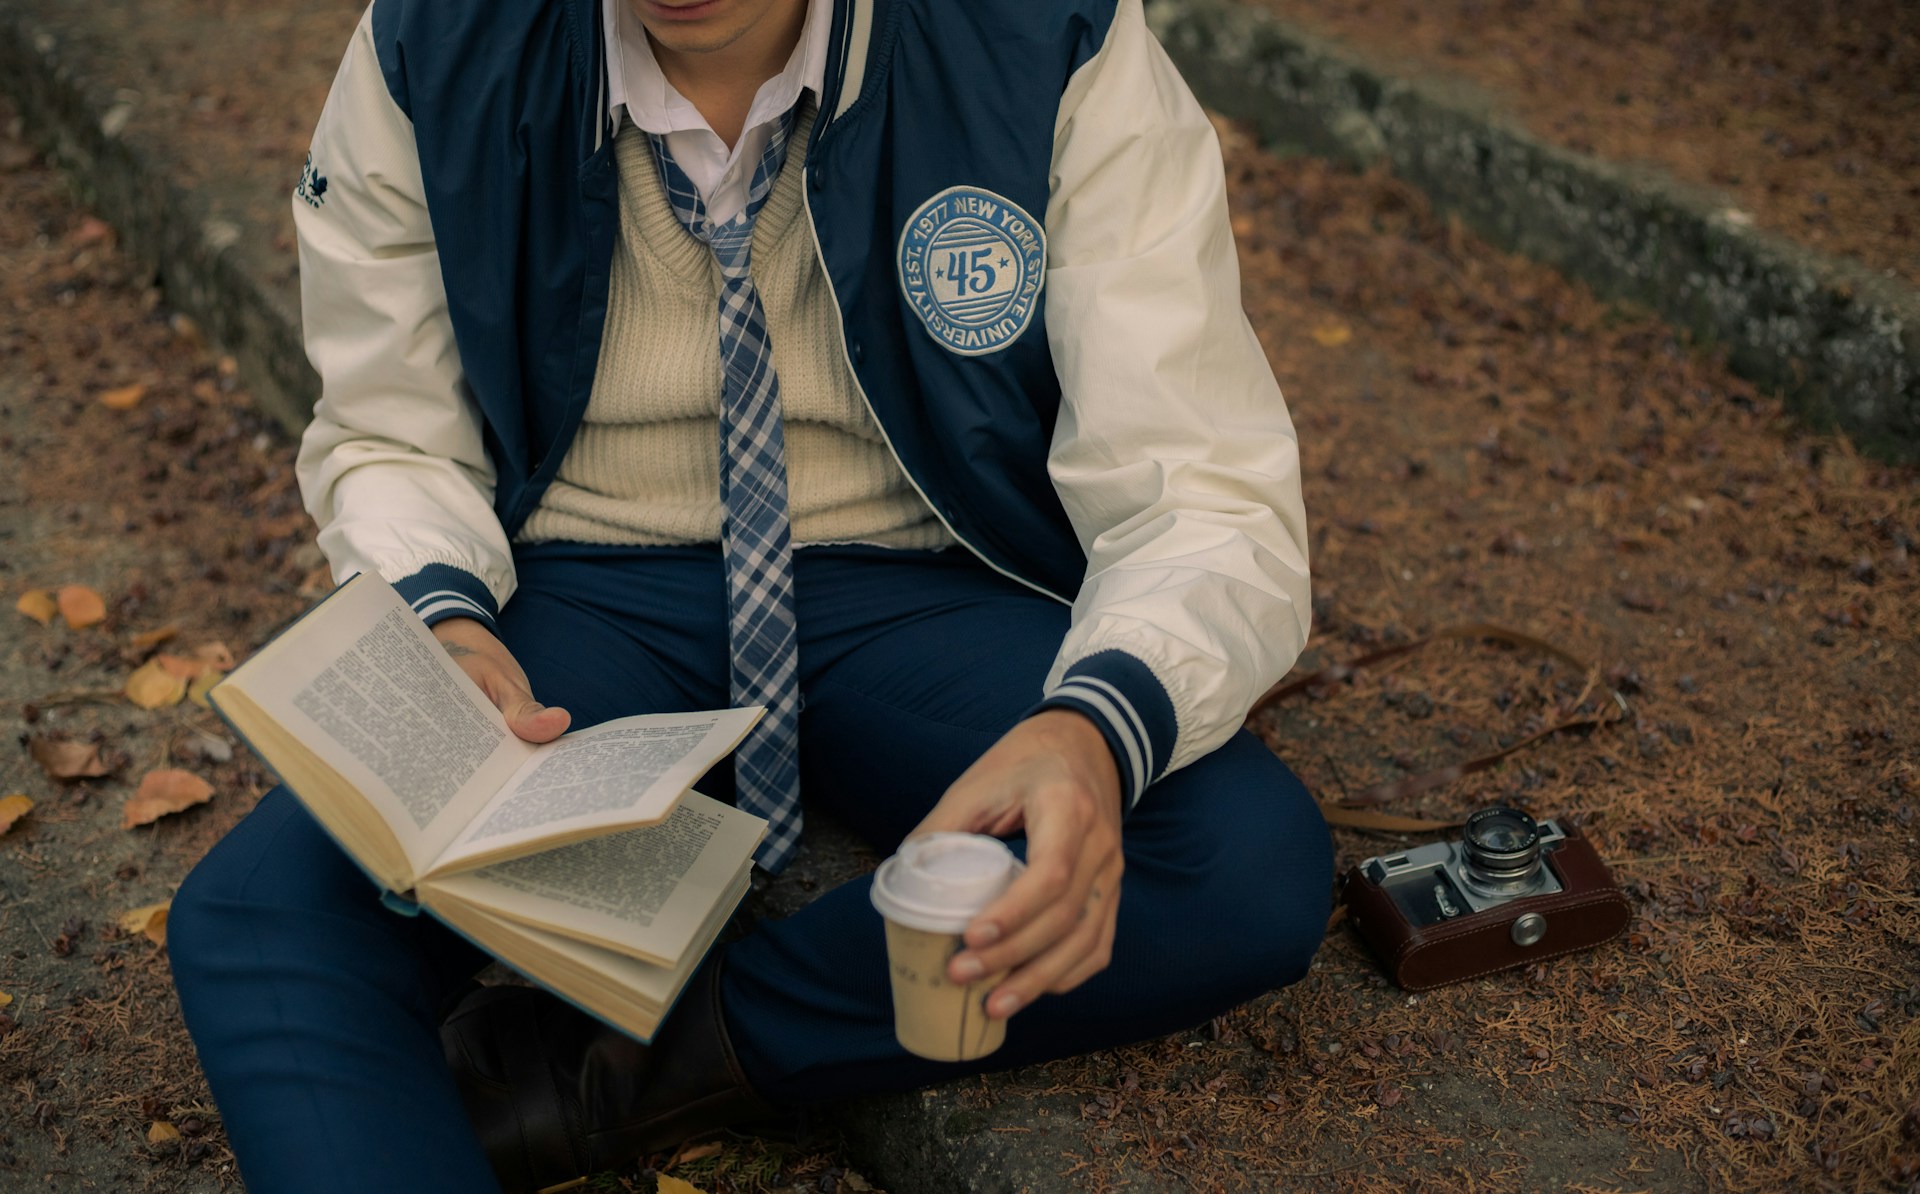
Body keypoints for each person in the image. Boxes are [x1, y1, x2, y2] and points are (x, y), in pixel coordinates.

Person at [166, 0, 1332, 1189]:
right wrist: (445, 620)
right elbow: (387, 429)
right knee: (266, 920)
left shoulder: (1044, 35)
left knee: (1234, 858)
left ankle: (627, 1066)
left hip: (922, 583)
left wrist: (1090, 725)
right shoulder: (435, 37)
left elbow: (1201, 484)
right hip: (587, 594)